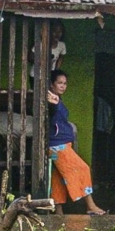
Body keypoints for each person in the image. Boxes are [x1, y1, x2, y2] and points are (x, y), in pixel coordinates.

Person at [47, 69, 105, 216]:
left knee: (58, 178)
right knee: (83, 169)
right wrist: (53, 103)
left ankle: (58, 211)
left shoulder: (58, 99)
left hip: (60, 145)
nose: (63, 86)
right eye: (59, 83)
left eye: (65, 83)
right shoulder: (51, 100)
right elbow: (51, 109)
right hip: (57, 146)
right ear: (51, 85)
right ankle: (90, 206)